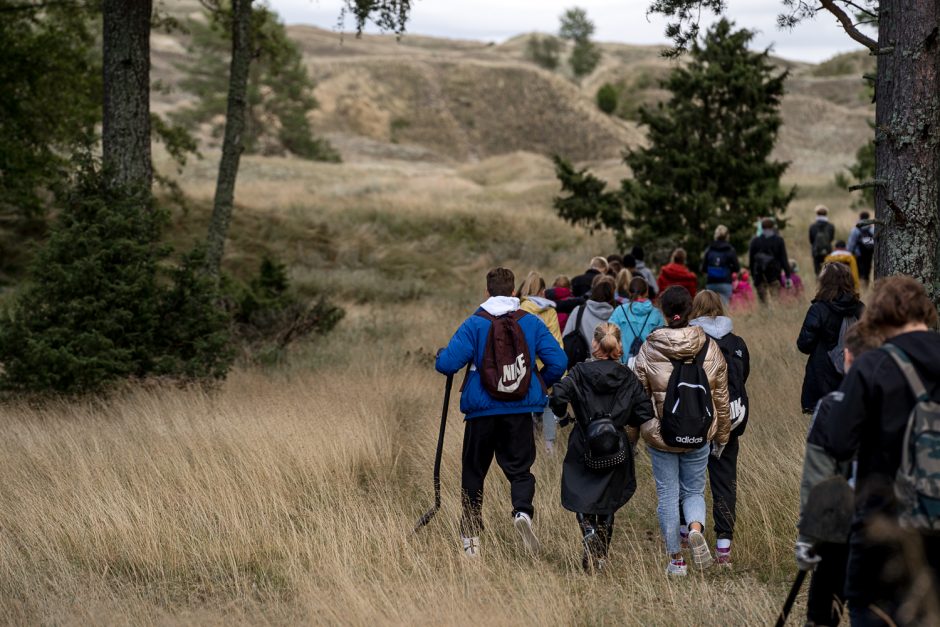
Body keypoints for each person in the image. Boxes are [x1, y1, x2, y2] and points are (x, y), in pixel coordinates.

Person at [816, 276, 940, 625]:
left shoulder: (874, 367)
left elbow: (838, 442)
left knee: (873, 611)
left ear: (881, 316)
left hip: (883, 523)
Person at [435, 267, 567, 558]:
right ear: (513, 293)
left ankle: (471, 542)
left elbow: (447, 364)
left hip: (481, 412)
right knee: (520, 469)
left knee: (474, 472)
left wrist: (441, 355)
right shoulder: (529, 322)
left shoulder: (475, 323)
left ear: (487, 291)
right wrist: (540, 382)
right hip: (519, 410)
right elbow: (559, 359)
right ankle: (522, 512)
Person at [634, 286, 732, 575]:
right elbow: (721, 397)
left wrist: (634, 434)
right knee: (694, 491)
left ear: (662, 310)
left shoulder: (650, 348)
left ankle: (676, 560)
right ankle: (695, 528)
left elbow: (638, 397)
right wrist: (722, 434)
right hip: (700, 432)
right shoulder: (709, 346)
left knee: (667, 494)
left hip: (662, 434)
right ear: (690, 311)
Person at [795, 323, 884, 627]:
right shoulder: (904, 405)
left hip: (838, 529)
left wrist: (808, 537)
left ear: (847, 356)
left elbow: (818, 479)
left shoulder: (832, 407)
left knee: (822, 614)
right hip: (891, 527)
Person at [549, 323, 653, 572]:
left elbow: (557, 395)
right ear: (618, 346)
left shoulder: (579, 372)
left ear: (595, 344)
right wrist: (621, 419)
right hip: (615, 445)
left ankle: (588, 529)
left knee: (582, 496)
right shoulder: (628, 377)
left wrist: (563, 415)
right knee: (608, 502)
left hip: (583, 442)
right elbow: (643, 412)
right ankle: (601, 556)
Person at [689, 290, 750, 566]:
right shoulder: (737, 342)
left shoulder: (693, 341)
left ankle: (689, 532)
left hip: (697, 421)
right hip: (731, 420)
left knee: (691, 482)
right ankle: (723, 548)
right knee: (725, 483)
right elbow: (744, 376)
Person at [796, 262, 864, 414]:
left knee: (823, 430)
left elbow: (804, 345)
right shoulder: (860, 308)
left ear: (826, 282)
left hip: (823, 377)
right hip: (854, 375)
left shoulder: (818, 309)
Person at [518, 271, 564, 455]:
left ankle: (527, 446)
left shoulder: (518, 310)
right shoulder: (550, 311)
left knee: (526, 407)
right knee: (546, 406)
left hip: (525, 366)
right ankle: (549, 448)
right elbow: (557, 342)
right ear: (543, 291)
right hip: (547, 367)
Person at [609, 276, 664, 369]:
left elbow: (609, 337)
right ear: (646, 292)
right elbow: (661, 341)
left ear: (629, 292)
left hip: (623, 366)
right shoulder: (656, 314)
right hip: (648, 367)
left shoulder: (620, 311)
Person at [563, 276, 617, 367]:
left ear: (593, 294)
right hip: (609, 369)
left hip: (582, 368)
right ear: (611, 297)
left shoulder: (579, 311)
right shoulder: (617, 315)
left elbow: (566, 337)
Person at [749, 217, 792, 303]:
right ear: (773, 227)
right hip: (774, 274)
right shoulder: (779, 240)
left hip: (759, 274)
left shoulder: (755, 241)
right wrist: (787, 275)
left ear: (762, 227)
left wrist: (753, 275)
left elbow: (751, 261)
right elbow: (783, 258)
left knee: (763, 302)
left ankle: (764, 315)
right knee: (775, 299)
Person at [701, 225, 741, 304]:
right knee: (724, 310)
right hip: (725, 282)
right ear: (727, 236)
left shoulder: (709, 249)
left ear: (715, 235)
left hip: (711, 282)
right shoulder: (730, 249)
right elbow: (737, 268)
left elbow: (703, 268)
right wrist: (729, 269)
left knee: (710, 308)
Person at [847, 211, 876, 287]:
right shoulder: (872, 229)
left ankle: (859, 286)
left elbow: (851, 244)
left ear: (860, 217)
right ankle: (866, 286)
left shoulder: (855, 229)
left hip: (858, 254)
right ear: (868, 217)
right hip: (869, 253)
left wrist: (849, 253)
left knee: (859, 271)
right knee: (867, 271)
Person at [809, 205, 836, 276]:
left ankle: (818, 285)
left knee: (817, 272)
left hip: (816, 251)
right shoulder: (831, 226)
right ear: (826, 214)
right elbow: (831, 239)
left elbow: (811, 240)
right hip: (827, 251)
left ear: (817, 214)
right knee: (827, 272)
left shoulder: (812, 226)